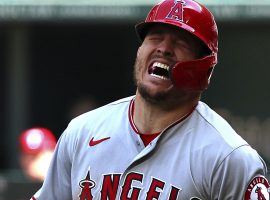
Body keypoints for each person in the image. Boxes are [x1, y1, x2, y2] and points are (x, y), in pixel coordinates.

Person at [31, 0, 270, 199]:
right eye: (155, 37)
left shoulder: (228, 158)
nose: (164, 49)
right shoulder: (82, 132)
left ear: (203, 69)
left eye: (180, 42)